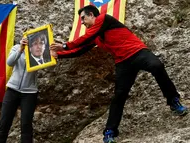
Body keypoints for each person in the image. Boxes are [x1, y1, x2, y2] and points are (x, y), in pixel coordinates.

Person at [50, 5, 188, 143]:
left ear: (91, 15)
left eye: (83, 18)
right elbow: (79, 50)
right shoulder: (95, 37)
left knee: (157, 66)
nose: (82, 22)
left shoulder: (103, 19)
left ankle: (173, 101)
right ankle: (110, 131)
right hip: (123, 63)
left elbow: (84, 38)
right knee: (119, 95)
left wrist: (64, 46)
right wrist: (59, 54)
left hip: (138, 52)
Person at [0, 37, 38, 143]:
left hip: (30, 93)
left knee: (26, 125)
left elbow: (49, 67)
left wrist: (52, 55)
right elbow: (9, 62)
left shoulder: (39, 51)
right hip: (12, 90)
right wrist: (21, 49)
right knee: (4, 123)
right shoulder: (16, 48)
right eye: (27, 36)